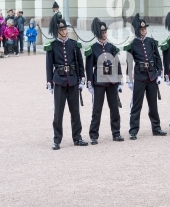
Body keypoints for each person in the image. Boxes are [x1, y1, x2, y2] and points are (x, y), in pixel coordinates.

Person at [45, 12, 87, 150]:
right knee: (58, 112)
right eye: (62, 30)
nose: (64, 31)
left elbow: (80, 63)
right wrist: (49, 82)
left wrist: (82, 78)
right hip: (59, 81)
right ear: (57, 31)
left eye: (65, 29)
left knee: (75, 111)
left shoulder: (74, 44)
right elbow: (49, 65)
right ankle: (57, 139)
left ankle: (77, 137)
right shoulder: (52, 46)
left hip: (73, 80)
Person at [124, 13, 166, 140]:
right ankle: (133, 130)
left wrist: (159, 73)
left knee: (153, 105)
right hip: (140, 76)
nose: (144, 31)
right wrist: (130, 79)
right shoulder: (132, 44)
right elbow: (129, 62)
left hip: (152, 76)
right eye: (142, 29)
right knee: (137, 105)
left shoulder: (151, 42)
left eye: (145, 29)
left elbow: (157, 58)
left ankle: (156, 128)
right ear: (137, 30)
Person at [85, 18, 124, 145]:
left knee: (114, 108)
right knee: (97, 109)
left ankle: (116, 133)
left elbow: (117, 64)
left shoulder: (111, 46)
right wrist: (89, 82)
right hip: (99, 82)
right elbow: (89, 67)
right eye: (102, 32)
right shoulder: (93, 48)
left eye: (105, 31)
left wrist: (119, 79)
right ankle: (94, 135)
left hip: (112, 81)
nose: (104, 34)